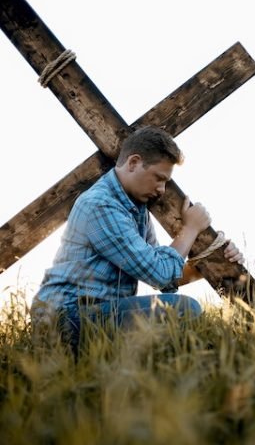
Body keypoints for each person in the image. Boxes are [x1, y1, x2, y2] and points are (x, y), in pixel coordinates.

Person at [31, 125, 243, 352]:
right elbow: (160, 273)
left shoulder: (136, 209)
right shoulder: (100, 205)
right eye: (159, 178)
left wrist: (210, 263)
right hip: (64, 317)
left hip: (99, 312)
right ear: (133, 163)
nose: (161, 190)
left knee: (183, 319)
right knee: (184, 310)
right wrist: (190, 229)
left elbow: (166, 277)